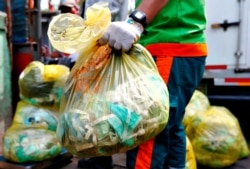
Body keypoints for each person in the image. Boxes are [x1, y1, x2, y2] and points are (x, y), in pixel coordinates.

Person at [78, 0, 207, 168]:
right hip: (177, 45)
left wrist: (136, 21)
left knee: (147, 129)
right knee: (170, 128)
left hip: (169, 45)